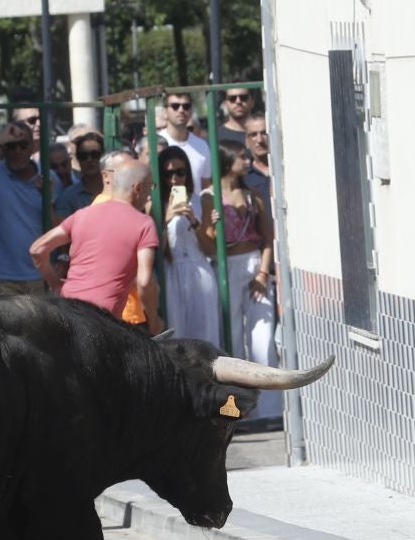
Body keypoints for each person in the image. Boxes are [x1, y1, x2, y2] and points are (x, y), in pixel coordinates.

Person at [199, 144, 282, 422]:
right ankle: (235, 410)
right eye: (242, 157)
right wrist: (209, 227)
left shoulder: (252, 195)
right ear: (227, 161)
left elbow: (268, 239)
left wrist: (262, 273)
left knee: (263, 338)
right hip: (226, 266)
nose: (247, 161)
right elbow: (208, 245)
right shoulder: (209, 197)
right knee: (231, 338)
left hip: (253, 263)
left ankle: (270, 410)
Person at [29, 157, 160, 329]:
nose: (150, 195)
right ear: (137, 188)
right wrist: (154, 320)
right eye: (150, 187)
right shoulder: (144, 223)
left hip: (65, 313)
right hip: (101, 323)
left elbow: (37, 250)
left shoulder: (82, 215)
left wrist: (55, 283)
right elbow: (144, 282)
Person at [155, 144, 219, 345]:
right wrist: (165, 220)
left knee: (205, 333)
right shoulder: (155, 205)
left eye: (180, 172)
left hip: (199, 269)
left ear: (188, 173)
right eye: (168, 174)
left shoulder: (202, 201)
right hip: (171, 274)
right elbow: (157, 252)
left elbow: (212, 250)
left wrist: (194, 221)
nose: (174, 179)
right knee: (177, 336)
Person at [0, 120, 53, 296]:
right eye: (11, 146)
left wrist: (47, 198)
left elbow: (56, 225)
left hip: (38, 274)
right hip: (1, 276)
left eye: (23, 145)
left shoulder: (47, 177)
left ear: (32, 146)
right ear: (3, 149)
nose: (17, 151)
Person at [156, 90, 214, 187]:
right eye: (175, 106)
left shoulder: (202, 145)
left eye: (186, 106)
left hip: (196, 202)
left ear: (191, 111)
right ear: (165, 112)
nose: (181, 110)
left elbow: (206, 185)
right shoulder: (156, 143)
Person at [242, 114, 274, 201]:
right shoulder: (243, 176)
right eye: (253, 135)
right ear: (247, 141)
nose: (259, 140)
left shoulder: (283, 169)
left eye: (264, 133)